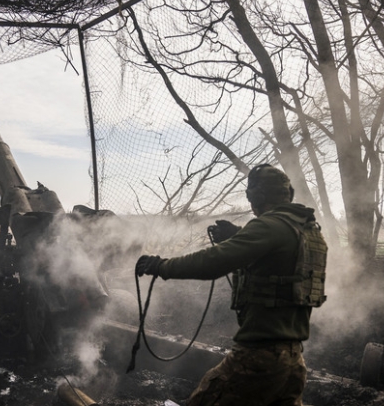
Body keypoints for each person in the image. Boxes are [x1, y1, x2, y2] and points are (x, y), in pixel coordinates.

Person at [135, 164, 325, 406]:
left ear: (258, 195)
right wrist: (238, 234)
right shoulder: (307, 230)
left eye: (250, 195)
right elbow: (273, 265)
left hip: (258, 358)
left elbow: (211, 262)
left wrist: (161, 266)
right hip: (292, 360)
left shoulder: (268, 225)